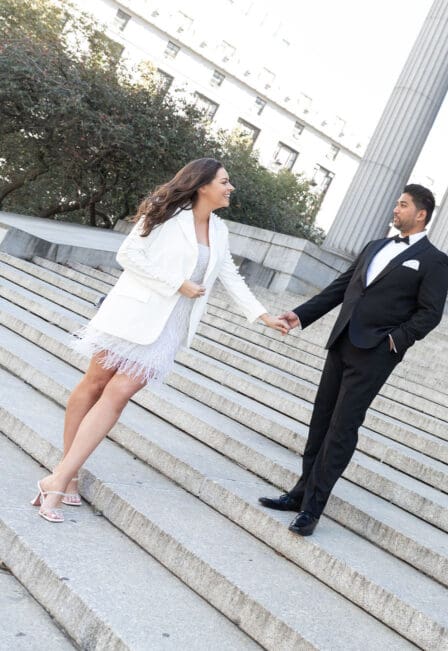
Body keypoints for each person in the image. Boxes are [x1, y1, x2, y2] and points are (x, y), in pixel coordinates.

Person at [32, 158, 290, 522]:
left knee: (118, 394)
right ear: (202, 185)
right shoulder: (165, 211)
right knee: (94, 385)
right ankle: (67, 474)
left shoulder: (219, 229)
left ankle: (56, 479)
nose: (230, 188)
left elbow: (229, 273)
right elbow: (129, 255)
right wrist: (177, 284)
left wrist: (262, 315)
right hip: (133, 313)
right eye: (225, 182)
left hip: (170, 327)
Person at [259, 184, 448, 536]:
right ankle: (300, 493)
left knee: (342, 429)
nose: (396, 209)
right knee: (321, 422)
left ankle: (313, 509)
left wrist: (394, 341)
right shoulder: (375, 246)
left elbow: (430, 313)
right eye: (397, 202)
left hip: (376, 353)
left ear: (420, 214)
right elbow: (339, 288)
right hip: (342, 342)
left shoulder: (433, 260)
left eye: (403, 205)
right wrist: (299, 316)